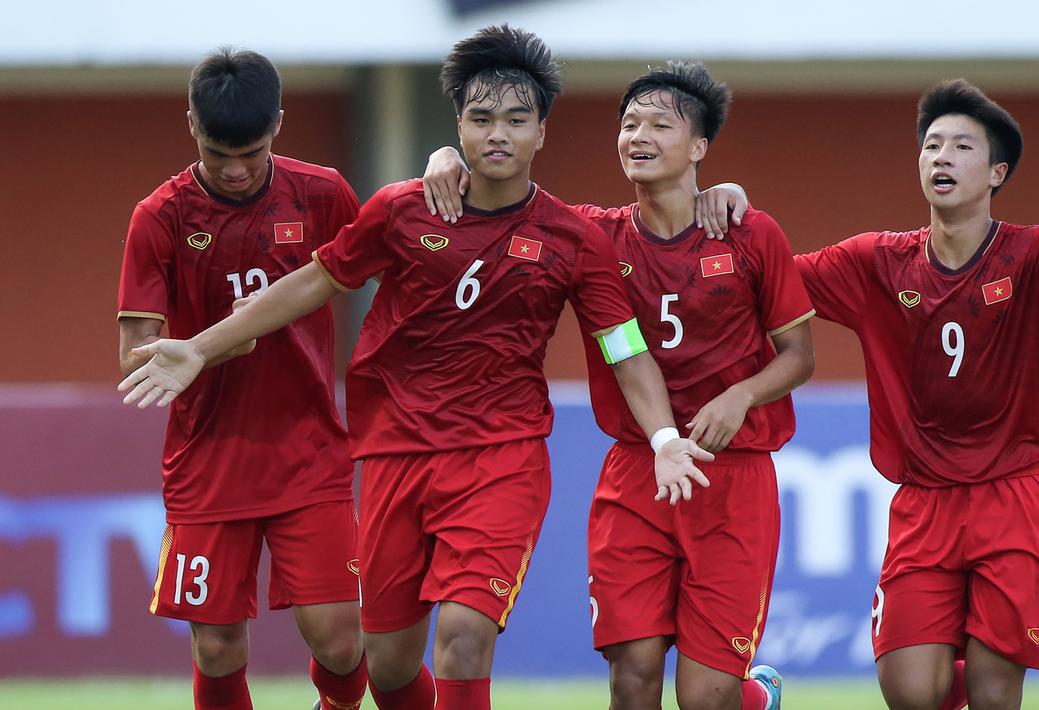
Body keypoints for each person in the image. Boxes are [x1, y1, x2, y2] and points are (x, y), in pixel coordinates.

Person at [118, 26, 711, 710]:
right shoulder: (401, 209)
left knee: (461, 635)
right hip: (396, 454)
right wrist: (200, 345)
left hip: (500, 457)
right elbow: (315, 280)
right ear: (456, 124)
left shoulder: (571, 239)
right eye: (481, 118)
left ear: (541, 132)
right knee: (387, 668)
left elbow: (622, 344)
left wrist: (665, 438)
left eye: (516, 120)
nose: (498, 134)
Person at [421, 61, 810, 710]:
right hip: (636, 472)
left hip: (731, 477)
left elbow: (797, 356)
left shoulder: (749, 233)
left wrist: (742, 395)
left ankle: (748, 696)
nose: (638, 136)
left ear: (698, 148)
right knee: (631, 677)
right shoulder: (590, 235)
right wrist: (441, 155)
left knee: (704, 698)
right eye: (628, 123)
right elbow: (502, 199)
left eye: (660, 125)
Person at [792, 81, 1039, 710]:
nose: (940, 157)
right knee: (911, 692)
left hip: (1016, 497)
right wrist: (730, 206)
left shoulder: (1030, 254)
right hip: (924, 503)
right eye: (931, 145)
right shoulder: (875, 261)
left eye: (960, 146)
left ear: (997, 171)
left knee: (993, 694)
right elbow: (773, 275)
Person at [116, 48, 367, 710]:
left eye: (250, 152)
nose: (233, 169)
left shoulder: (323, 194)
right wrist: (225, 344)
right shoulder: (160, 216)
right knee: (218, 648)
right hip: (206, 459)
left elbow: (380, 279)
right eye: (216, 149)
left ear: (279, 125)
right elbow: (136, 355)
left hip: (308, 448)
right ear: (190, 122)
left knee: (342, 645)